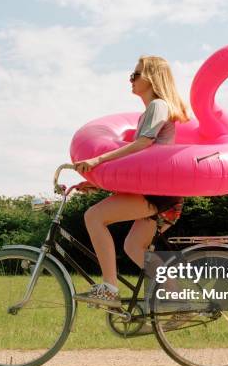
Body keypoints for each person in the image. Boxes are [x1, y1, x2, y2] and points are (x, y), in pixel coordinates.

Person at [72, 55, 190, 308]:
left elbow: (143, 146)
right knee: (134, 246)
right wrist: (98, 183)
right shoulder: (151, 111)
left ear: (151, 77)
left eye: (135, 74)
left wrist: (97, 161)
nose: (131, 79)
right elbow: (138, 169)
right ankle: (180, 301)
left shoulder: (158, 106)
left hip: (156, 194)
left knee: (94, 217)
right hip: (163, 194)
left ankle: (109, 289)